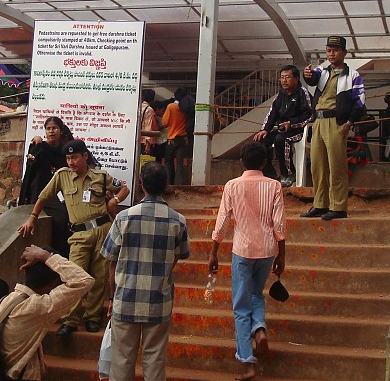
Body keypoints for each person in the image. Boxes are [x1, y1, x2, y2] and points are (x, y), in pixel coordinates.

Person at [18, 139, 129, 337]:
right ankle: (70, 318)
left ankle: (93, 316)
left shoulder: (101, 176)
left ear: (85, 156)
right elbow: (43, 197)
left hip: (103, 229)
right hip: (78, 233)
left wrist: (115, 201)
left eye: (74, 158)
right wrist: (32, 218)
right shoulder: (62, 177)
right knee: (73, 273)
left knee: (100, 275)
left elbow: (124, 188)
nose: (71, 162)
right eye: (68, 158)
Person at [101, 161, 190, 381]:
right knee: (155, 360)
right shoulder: (178, 221)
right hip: (158, 300)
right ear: (166, 185)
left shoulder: (123, 218)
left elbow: (111, 262)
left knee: (121, 361)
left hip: (126, 298)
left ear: (141, 183)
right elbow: (178, 256)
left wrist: (112, 298)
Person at [208, 141, 285, 381]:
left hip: (242, 250)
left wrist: (214, 251)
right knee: (256, 295)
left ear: (242, 161)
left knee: (241, 306)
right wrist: (282, 254)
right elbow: (279, 224)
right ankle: (259, 329)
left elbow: (222, 221)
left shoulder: (232, 186)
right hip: (267, 249)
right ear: (264, 162)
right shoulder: (274, 186)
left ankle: (247, 362)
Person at [0, 245, 94, 380]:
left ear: (24, 271)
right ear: (54, 283)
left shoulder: (7, 300)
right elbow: (84, 280)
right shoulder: (38, 307)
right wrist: (46, 257)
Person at [301, 36, 365, 221]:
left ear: (344, 53)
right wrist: (307, 74)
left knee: (337, 166)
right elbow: (313, 80)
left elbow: (360, 103)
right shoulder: (322, 70)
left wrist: (349, 123)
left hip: (337, 123)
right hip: (319, 121)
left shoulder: (353, 75)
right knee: (317, 165)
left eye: (335, 50)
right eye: (328, 50)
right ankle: (320, 204)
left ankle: (338, 207)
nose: (331, 53)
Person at [19, 116, 74, 257]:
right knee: (61, 218)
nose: (51, 131)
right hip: (41, 191)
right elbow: (30, 170)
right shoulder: (40, 147)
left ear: (61, 131)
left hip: (60, 192)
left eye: (54, 128)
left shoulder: (65, 152)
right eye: (48, 128)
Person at [253, 65, 314, 187]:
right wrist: (265, 130)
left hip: (300, 130)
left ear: (296, 79)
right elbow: (272, 114)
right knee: (260, 141)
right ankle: (270, 174)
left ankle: (288, 174)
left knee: (281, 139)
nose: (284, 80)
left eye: (287, 77)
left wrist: (291, 124)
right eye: (282, 77)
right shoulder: (280, 95)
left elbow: (310, 115)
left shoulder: (303, 93)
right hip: (282, 129)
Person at [162, 92, 188, 186]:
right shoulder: (186, 108)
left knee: (169, 161)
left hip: (172, 138)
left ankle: (169, 183)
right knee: (180, 163)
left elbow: (165, 122)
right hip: (183, 138)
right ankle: (179, 184)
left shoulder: (171, 106)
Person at [139, 89, 159, 157]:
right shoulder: (149, 110)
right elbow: (148, 127)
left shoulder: (138, 107)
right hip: (144, 141)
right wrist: (148, 145)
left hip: (136, 139)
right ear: (152, 99)